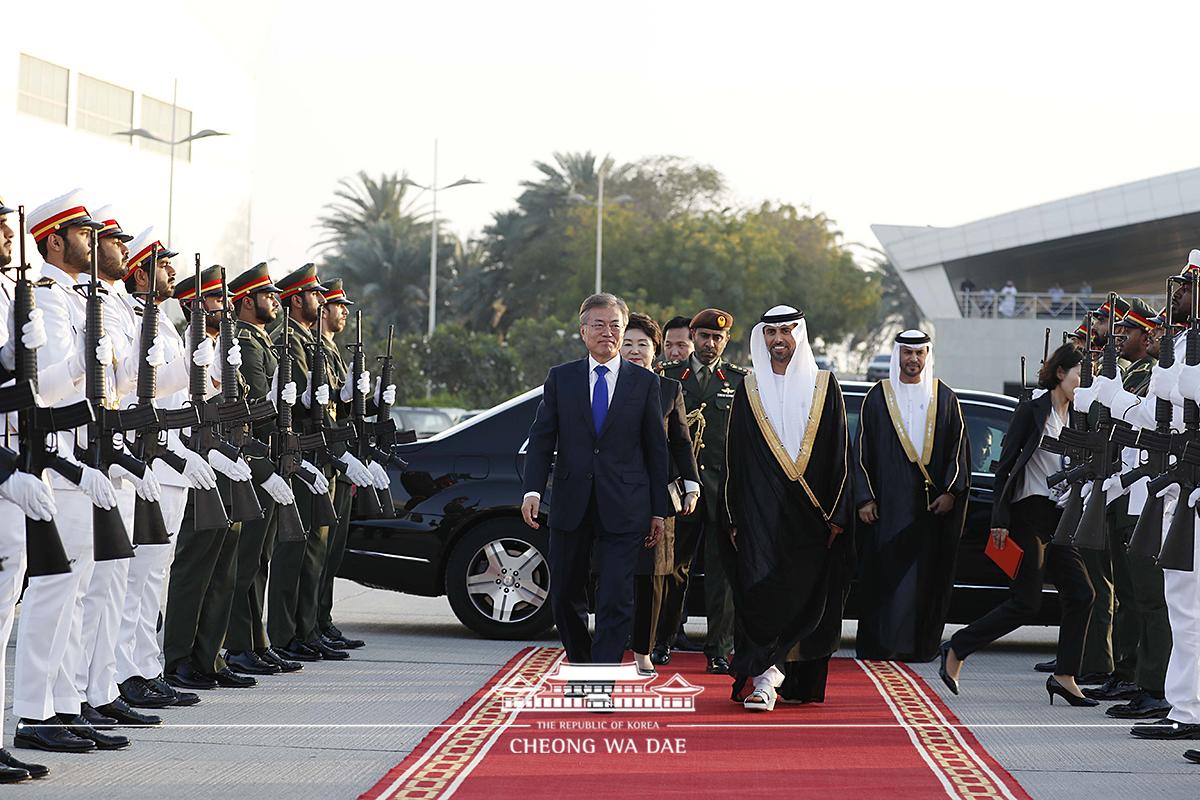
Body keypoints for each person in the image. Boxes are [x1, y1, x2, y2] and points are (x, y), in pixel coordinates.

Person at [520, 293, 668, 680]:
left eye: (616, 325)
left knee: (616, 596)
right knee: (566, 594)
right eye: (599, 325)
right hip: (572, 502)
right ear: (583, 330)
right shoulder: (561, 378)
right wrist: (533, 490)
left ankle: (599, 678)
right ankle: (582, 663)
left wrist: (658, 509)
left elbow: (656, 451)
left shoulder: (645, 383)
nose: (608, 332)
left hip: (626, 505)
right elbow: (542, 438)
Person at [941, 343, 1097, 706]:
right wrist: (1000, 519)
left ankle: (1064, 675)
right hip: (1028, 513)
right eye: (1079, 374)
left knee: (1082, 594)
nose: (1083, 381)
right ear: (1061, 373)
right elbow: (1006, 466)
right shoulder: (1031, 411)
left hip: (1061, 516)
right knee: (1027, 602)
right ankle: (958, 648)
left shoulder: (1080, 416)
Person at [723, 305, 852, 711]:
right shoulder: (749, 387)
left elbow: (839, 454)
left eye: (786, 331)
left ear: (800, 334)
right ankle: (764, 679)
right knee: (761, 597)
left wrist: (836, 514)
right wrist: (732, 515)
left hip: (812, 519)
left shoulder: (825, 385)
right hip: (759, 515)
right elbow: (736, 458)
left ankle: (774, 678)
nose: (778, 340)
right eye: (771, 332)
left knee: (805, 599)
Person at [115, 227, 215, 709]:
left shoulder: (166, 322)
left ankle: (146, 665)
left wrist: (205, 361)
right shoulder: (134, 318)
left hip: (174, 462)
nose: (172, 270)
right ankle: (125, 672)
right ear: (139, 271)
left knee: (154, 574)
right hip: (148, 460)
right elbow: (136, 392)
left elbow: (178, 392)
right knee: (134, 576)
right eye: (162, 263)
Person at [162, 265, 266, 691]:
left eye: (224, 299)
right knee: (194, 567)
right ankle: (178, 657)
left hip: (229, 464)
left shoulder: (224, 347)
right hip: (199, 466)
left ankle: (210, 656)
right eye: (214, 300)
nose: (223, 307)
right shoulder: (184, 350)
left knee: (224, 567)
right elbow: (181, 416)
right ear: (193, 305)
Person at [270, 264, 373, 662]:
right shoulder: (292, 342)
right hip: (304, 454)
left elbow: (331, 405)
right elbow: (298, 405)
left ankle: (312, 624)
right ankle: (288, 631)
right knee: (298, 549)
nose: (335, 307)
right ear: (298, 300)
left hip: (325, 453)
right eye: (320, 297)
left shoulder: (319, 347)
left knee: (321, 548)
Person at [853, 330, 970, 662]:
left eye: (919, 353)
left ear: (927, 355)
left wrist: (950, 491)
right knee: (886, 580)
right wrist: (864, 498)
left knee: (924, 580)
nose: (913, 360)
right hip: (887, 510)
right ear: (897, 355)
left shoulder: (944, 397)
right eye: (907, 353)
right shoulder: (877, 397)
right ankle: (882, 647)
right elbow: (859, 451)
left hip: (930, 511)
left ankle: (918, 648)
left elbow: (959, 452)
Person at [1080, 298, 1171, 719]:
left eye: (1126, 332)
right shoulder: (1133, 374)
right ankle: (1133, 672)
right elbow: (1098, 419)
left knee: (1149, 598)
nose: (1122, 337)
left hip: (1147, 492)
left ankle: (1150, 682)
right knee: (1135, 593)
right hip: (1124, 490)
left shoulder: (1152, 375)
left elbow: (1136, 421)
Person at [222, 263, 312, 676]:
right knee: (247, 561)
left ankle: (255, 641)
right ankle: (241, 645)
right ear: (246, 301)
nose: (275, 301)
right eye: (267, 295)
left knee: (260, 558)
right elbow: (256, 406)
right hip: (255, 460)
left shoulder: (263, 343)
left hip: (272, 457)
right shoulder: (246, 342)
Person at [0, 194, 60, 779]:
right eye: (0, 228)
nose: (8, 236)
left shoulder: (7, 290)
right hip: (3, 474)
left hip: (16, 471)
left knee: (3, 617)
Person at [654, 309, 746, 674]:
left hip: (722, 491)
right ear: (692, 336)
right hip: (680, 490)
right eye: (704, 336)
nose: (710, 343)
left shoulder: (739, 382)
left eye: (717, 338)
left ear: (726, 341)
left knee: (723, 574)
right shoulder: (671, 376)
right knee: (674, 569)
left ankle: (719, 649)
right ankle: (663, 641)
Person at [619, 313, 700, 675]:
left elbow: (682, 444)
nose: (635, 351)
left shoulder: (669, 389)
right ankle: (612, 639)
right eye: (628, 344)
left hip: (656, 497)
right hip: (613, 494)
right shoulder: (604, 386)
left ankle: (644, 649)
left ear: (656, 351)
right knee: (614, 573)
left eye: (642, 345)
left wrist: (692, 485)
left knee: (653, 576)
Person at [313, 277, 388, 654]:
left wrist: (371, 403)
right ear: (320, 308)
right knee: (311, 554)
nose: (345, 311)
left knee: (329, 552)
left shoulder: (331, 351)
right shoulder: (307, 347)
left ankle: (319, 622)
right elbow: (314, 413)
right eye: (338, 304)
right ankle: (302, 629)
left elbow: (339, 411)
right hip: (320, 459)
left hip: (337, 458)